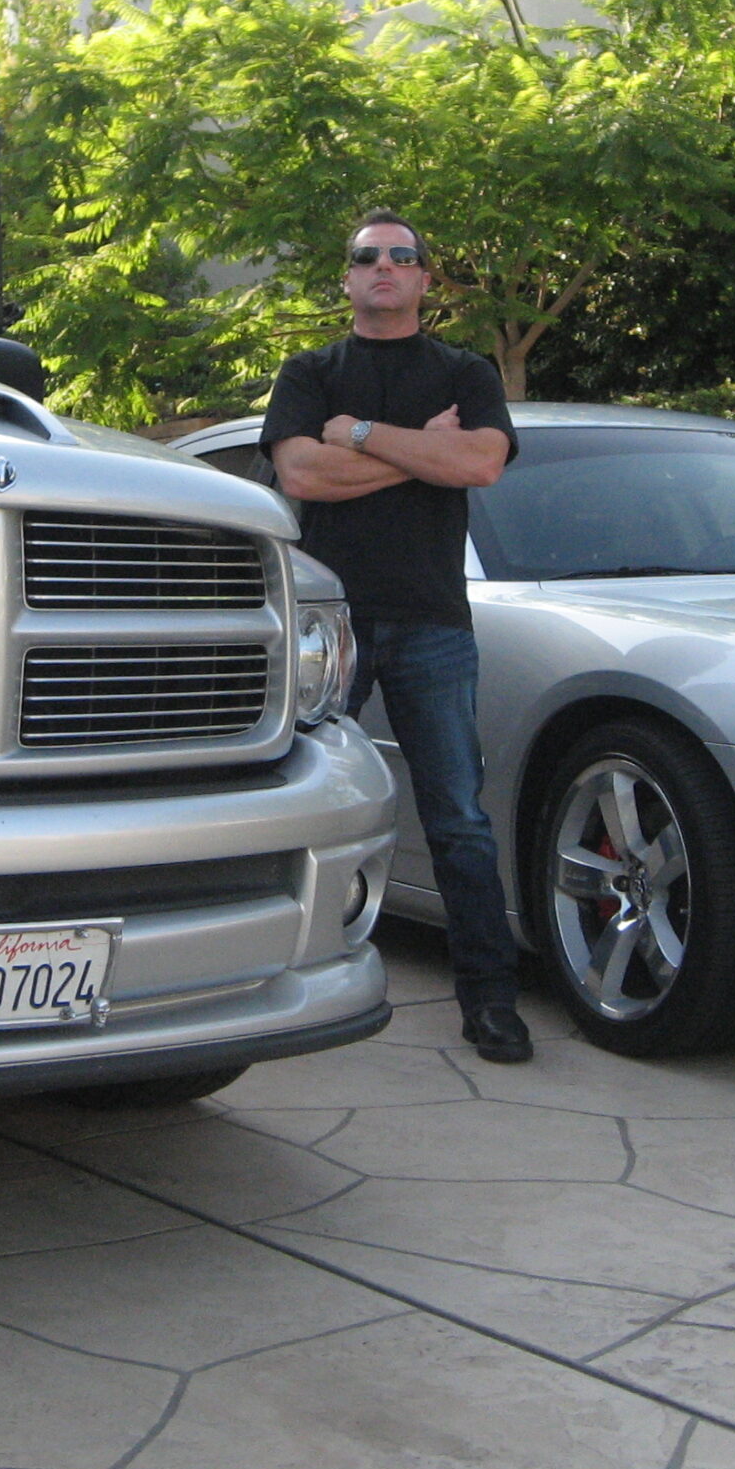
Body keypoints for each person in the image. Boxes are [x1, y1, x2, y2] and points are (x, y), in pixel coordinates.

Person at [260, 211, 532, 1063]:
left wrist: (363, 437)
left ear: (423, 280)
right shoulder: (308, 370)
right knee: (290, 802)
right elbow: (301, 473)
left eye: (402, 256)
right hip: (326, 625)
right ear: (346, 279)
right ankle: (262, 985)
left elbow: (481, 464)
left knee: (458, 820)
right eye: (367, 257)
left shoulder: (463, 370)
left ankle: (491, 1004)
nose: (384, 267)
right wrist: (424, 452)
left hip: (431, 623)